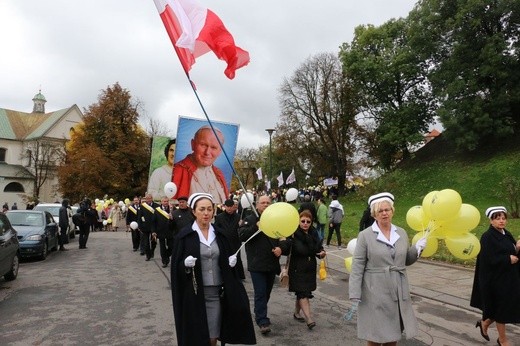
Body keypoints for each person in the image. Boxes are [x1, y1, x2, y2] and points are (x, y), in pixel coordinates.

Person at [171, 192, 256, 346]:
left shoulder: (219, 234)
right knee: (197, 335)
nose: (206, 213)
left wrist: (230, 261)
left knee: (213, 334)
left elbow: (226, 260)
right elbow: (176, 268)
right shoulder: (185, 236)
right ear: (193, 211)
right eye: (202, 209)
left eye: (209, 209)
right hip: (193, 293)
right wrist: (184, 264)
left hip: (214, 293)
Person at [348, 192, 427, 346]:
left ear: (392, 211)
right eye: (380, 211)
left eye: (387, 210)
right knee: (376, 335)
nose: (384, 213)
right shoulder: (365, 235)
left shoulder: (401, 233)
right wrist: (355, 292)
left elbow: (405, 261)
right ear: (374, 214)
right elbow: (357, 265)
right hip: (374, 291)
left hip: (398, 290)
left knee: (393, 335)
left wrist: (417, 249)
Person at [239, 195, 290, 335]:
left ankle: (258, 312)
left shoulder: (276, 219)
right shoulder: (250, 219)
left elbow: (285, 238)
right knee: (260, 293)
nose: (266, 205)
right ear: (257, 205)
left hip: (272, 264)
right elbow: (242, 236)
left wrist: (281, 248)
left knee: (266, 293)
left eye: (268, 202)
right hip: (256, 264)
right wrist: (256, 227)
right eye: (263, 202)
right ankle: (263, 321)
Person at [470, 206, 520, 346]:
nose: (501, 221)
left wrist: (517, 248)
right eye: (497, 218)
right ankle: (502, 340)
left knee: (504, 306)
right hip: (495, 280)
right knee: (501, 309)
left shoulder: (506, 233)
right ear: (491, 221)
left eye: (503, 218)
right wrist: (507, 259)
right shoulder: (487, 237)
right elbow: (487, 259)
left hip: (509, 278)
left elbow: (511, 252)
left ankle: (484, 323)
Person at [288, 210, 326, 330]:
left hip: (309, 268)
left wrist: (321, 253)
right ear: (298, 221)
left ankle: (296, 313)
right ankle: (309, 318)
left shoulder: (314, 233)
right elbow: (300, 250)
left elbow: (318, 248)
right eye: (303, 221)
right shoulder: (294, 234)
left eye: (308, 221)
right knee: (303, 293)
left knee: (302, 292)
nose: (305, 223)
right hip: (297, 268)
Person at [172, 126, 229, 204]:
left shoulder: (219, 174)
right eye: (203, 145)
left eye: (214, 147)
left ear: (220, 151)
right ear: (193, 144)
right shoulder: (178, 170)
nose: (207, 152)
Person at [214, 198, 245, 280]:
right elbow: (216, 228)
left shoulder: (238, 217)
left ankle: (238, 275)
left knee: (236, 258)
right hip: (224, 241)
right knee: (225, 258)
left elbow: (241, 229)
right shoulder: (219, 217)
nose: (229, 209)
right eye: (227, 207)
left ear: (233, 207)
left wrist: (241, 225)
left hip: (235, 242)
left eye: (231, 207)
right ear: (225, 206)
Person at [153, 196, 174, 268]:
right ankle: (164, 261)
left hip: (170, 231)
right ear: (161, 202)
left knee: (171, 246)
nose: (166, 203)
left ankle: (166, 256)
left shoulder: (172, 209)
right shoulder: (157, 210)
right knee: (162, 247)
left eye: (167, 201)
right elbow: (154, 221)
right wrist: (154, 231)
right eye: (164, 201)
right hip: (160, 231)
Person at [138, 193, 159, 261]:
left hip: (154, 227)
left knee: (154, 242)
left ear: (152, 198)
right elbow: (140, 216)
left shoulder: (157, 206)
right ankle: (148, 255)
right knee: (146, 242)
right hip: (145, 227)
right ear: (145, 199)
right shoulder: (143, 206)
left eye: (150, 198)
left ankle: (152, 251)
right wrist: (140, 225)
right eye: (147, 198)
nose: (149, 200)